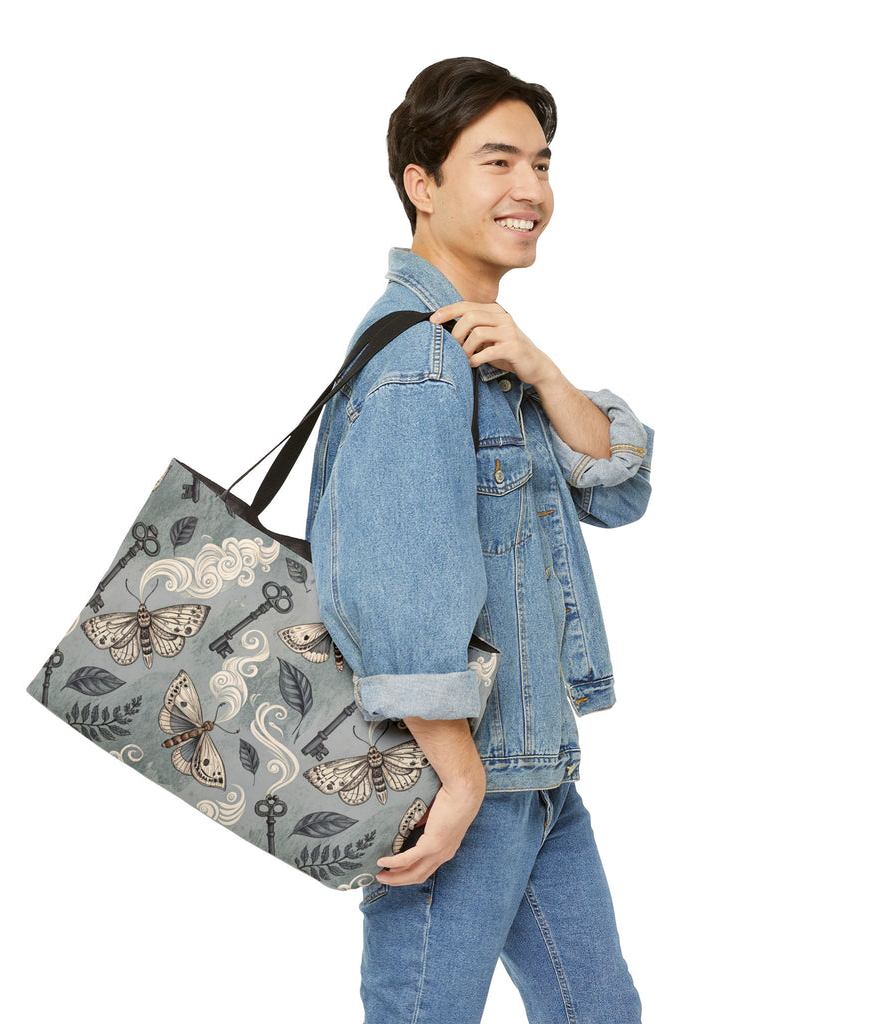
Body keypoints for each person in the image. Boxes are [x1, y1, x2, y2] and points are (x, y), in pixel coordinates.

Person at [304, 57, 653, 1024]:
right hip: (465, 779)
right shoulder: (420, 359)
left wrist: (543, 369)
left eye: (542, 164)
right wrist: (456, 778)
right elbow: (397, 581)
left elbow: (620, 490)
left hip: (535, 772)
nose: (531, 191)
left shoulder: (483, 347)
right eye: (498, 162)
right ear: (421, 184)